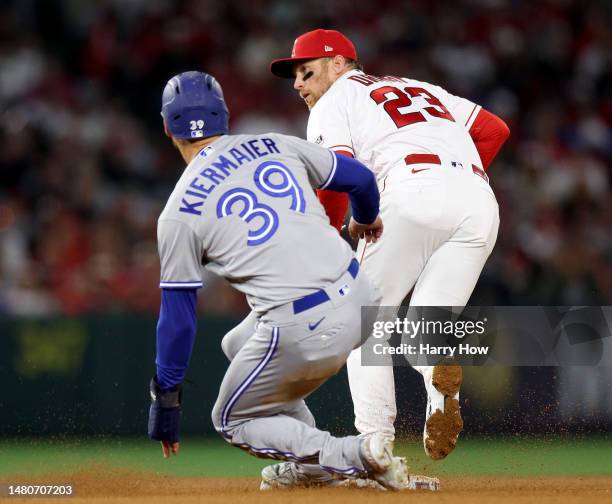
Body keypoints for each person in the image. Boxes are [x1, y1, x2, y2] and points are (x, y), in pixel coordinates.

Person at [146, 70, 416, 491]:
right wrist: (365, 219)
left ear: (166, 127)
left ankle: (352, 454)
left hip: (305, 329)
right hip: (362, 296)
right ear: (224, 116)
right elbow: (361, 179)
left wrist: (166, 401)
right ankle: (308, 469)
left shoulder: (178, 212)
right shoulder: (274, 142)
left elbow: (178, 320)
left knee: (231, 419)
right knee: (236, 345)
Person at [269, 29, 510, 465]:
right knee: (426, 324)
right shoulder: (419, 87)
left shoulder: (334, 101)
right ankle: (438, 386)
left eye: (306, 72)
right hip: (479, 203)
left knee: (364, 321)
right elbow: (494, 130)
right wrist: (455, 180)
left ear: (339, 65)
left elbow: (338, 172)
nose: (298, 84)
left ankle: (374, 447)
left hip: (410, 192)